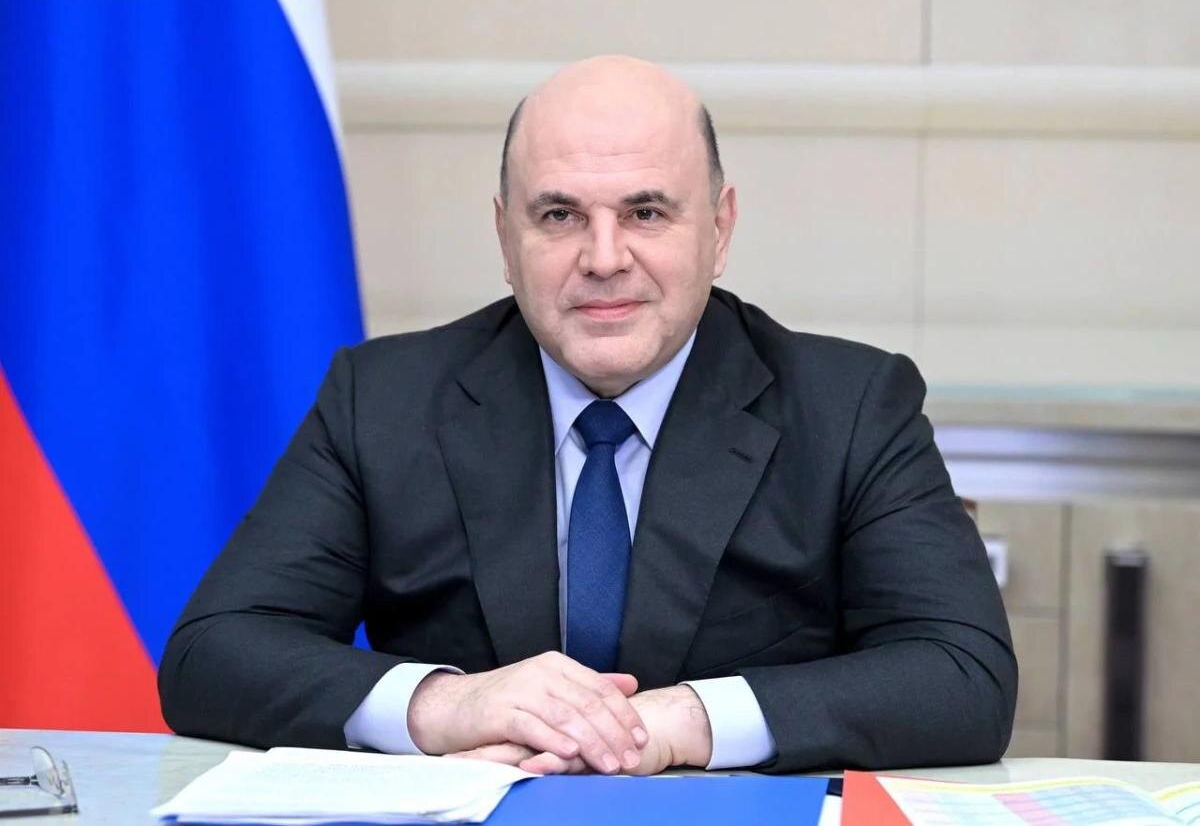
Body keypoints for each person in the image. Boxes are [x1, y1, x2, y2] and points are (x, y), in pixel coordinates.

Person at [159, 56, 1016, 775]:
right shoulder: (382, 399)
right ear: (506, 238)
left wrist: (683, 721)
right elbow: (213, 653)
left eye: (646, 212)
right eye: (560, 215)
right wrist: (447, 703)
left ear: (719, 231)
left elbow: (963, 674)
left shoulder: (852, 405)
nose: (604, 258)